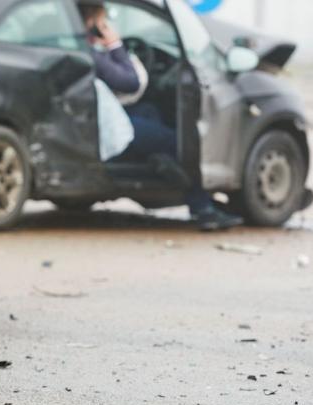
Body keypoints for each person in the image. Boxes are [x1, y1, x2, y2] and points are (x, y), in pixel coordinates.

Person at [78, 0, 243, 231]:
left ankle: (157, 163)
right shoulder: (90, 54)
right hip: (105, 127)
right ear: (92, 23)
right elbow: (130, 81)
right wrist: (115, 45)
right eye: (103, 22)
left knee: (150, 112)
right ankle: (201, 207)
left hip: (100, 117)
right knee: (177, 142)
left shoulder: (78, 49)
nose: (106, 26)